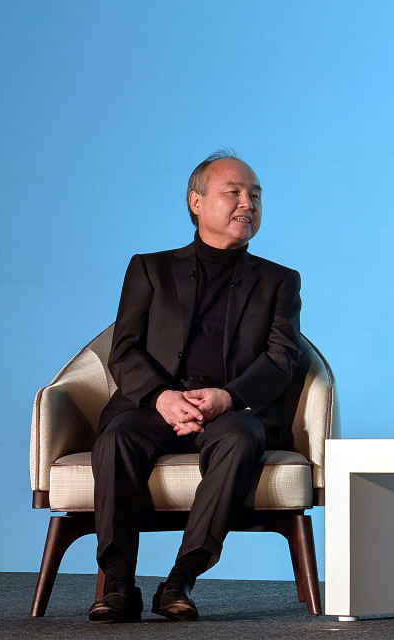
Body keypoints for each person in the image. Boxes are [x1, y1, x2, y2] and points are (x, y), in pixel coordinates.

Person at [88, 151, 303, 623]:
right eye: (234, 192)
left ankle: (180, 579)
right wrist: (161, 398)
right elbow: (124, 349)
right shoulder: (150, 269)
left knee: (241, 439)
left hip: (230, 410)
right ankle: (118, 584)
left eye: (256, 196)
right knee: (116, 440)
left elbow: (282, 358)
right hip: (153, 404)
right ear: (196, 201)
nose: (247, 204)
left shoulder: (279, 281)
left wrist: (229, 398)